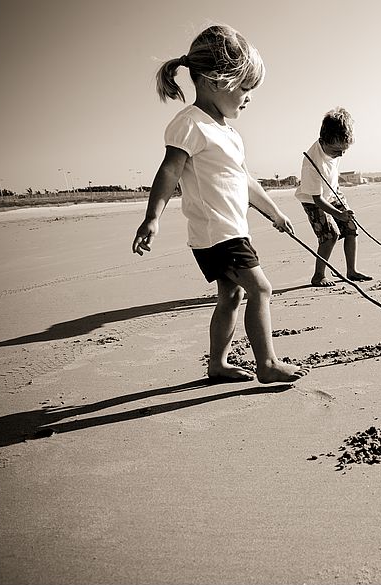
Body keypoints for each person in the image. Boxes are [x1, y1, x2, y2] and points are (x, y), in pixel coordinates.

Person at [132, 25, 307, 384]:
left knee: (232, 295)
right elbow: (169, 171)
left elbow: (245, 181)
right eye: (244, 88)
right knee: (261, 289)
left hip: (227, 231)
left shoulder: (227, 132)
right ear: (215, 81)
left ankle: (218, 364)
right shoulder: (190, 124)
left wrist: (275, 213)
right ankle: (268, 363)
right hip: (218, 233)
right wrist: (153, 217)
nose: (249, 97)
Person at [295, 107, 373, 287]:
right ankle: (318, 275)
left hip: (333, 193)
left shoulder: (334, 145)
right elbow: (317, 199)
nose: (341, 154)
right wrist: (338, 215)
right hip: (314, 200)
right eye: (337, 150)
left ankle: (351, 271)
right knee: (330, 235)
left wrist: (342, 209)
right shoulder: (312, 163)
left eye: (344, 150)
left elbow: (332, 173)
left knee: (351, 228)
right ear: (323, 141)